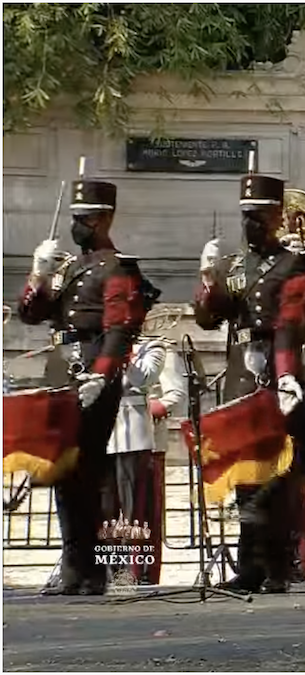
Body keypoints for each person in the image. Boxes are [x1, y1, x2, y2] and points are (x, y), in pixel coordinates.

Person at [19, 176, 148, 596]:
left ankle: (91, 567)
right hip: (61, 370)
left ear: (105, 218)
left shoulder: (118, 267)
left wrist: (103, 372)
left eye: (86, 219)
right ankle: (75, 564)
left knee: (85, 469)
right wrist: (37, 276)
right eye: (75, 218)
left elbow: (120, 326)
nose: (78, 226)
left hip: (91, 369)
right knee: (61, 471)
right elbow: (32, 315)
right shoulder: (70, 267)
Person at [193, 173, 305, 594]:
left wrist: (284, 373)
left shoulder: (293, 264)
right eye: (247, 215)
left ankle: (278, 567)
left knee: (277, 474)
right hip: (240, 372)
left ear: (277, 215)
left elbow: (294, 319)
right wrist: (209, 281)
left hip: (273, 371)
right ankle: (250, 564)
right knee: (244, 475)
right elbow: (211, 316)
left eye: (260, 215)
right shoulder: (235, 265)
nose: (252, 223)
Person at [106, 305, 187, 585]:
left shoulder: (158, 348)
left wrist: (154, 408)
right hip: (111, 433)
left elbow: (174, 393)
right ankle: (112, 569)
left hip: (145, 436)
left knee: (143, 510)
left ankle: (142, 571)